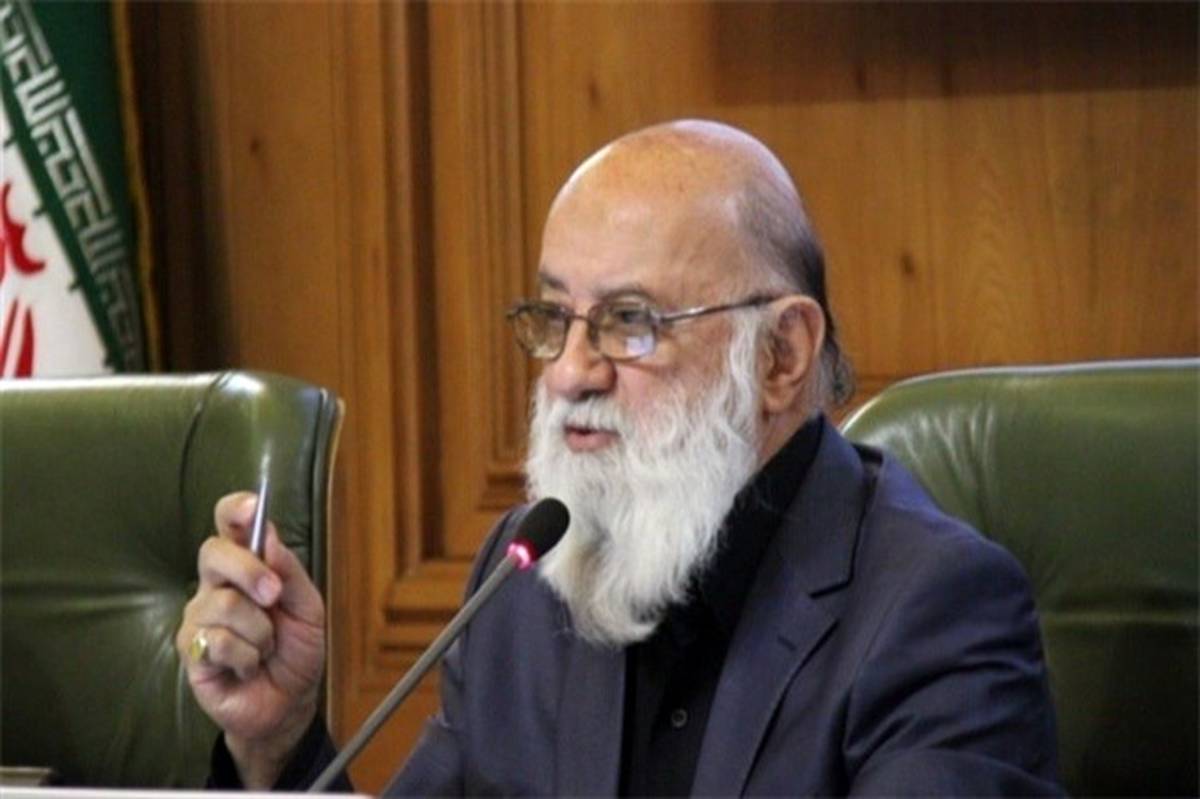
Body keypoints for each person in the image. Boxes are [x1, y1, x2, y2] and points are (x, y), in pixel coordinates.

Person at [177, 119, 1061, 795]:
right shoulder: (526, 577)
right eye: (554, 318)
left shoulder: (936, 609)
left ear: (781, 355)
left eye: (630, 322)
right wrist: (280, 743)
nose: (570, 371)